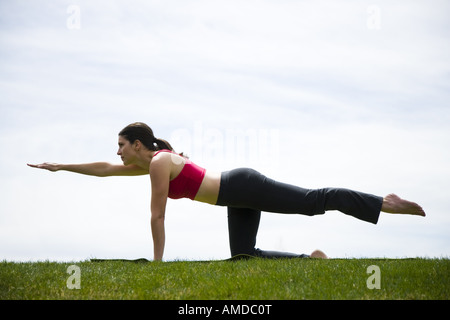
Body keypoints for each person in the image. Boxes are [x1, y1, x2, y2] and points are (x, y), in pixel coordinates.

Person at [28, 122, 426, 261]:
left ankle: (383, 202)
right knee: (243, 255)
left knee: (311, 203)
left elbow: (157, 215)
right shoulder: (154, 166)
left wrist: (158, 261)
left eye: (120, 144)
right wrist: (60, 166)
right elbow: (104, 171)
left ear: (137, 144)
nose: (116, 152)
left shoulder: (161, 164)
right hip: (234, 198)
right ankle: (312, 259)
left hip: (241, 185)